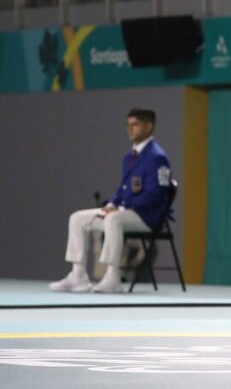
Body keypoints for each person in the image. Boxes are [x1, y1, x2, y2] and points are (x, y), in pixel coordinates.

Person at [49, 108, 172, 294]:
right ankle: (78, 275)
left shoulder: (158, 157)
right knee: (78, 218)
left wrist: (121, 210)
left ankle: (113, 276)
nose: (130, 129)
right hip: (125, 213)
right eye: (128, 125)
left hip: (147, 217)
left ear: (149, 126)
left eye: (135, 125)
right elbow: (123, 189)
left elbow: (157, 194)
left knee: (113, 219)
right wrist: (111, 205)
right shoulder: (129, 156)